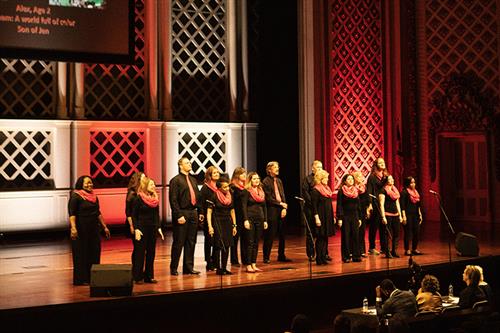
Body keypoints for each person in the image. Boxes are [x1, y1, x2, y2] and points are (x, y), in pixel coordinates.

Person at [68, 175, 110, 285]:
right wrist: (73, 228)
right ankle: (82, 279)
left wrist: (104, 227)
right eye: (87, 183)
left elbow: (98, 213)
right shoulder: (76, 196)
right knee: (82, 254)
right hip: (81, 229)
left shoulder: (94, 197)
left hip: (94, 229)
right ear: (81, 184)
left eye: (90, 182)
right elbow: (72, 214)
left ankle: (93, 277)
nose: (89, 185)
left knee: (94, 252)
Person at [169, 157, 203, 276]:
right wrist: (178, 215)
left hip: (193, 212)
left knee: (191, 241)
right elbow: (173, 200)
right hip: (182, 213)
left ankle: (188, 267)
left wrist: (200, 212)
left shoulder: (193, 180)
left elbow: (197, 197)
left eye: (190, 162)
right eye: (187, 163)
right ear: (180, 165)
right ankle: (173, 268)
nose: (190, 164)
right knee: (179, 242)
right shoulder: (175, 180)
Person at [132, 177, 164, 284]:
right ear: (145, 186)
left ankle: (149, 276)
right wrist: (136, 229)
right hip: (142, 228)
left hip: (152, 228)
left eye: (154, 184)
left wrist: (159, 228)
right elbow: (134, 215)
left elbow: (156, 214)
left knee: (151, 253)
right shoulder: (138, 198)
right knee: (140, 253)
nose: (153, 186)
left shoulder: (155, 198)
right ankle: (137, 277)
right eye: (151, 185)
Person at [206, 177, 237, 275]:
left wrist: (234, 225)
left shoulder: (230, 195)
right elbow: (209, 212)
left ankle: (224, 267)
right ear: (219, 188)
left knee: (227, 245)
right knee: (218, 245)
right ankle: (218, 268)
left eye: (228, 186)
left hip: (227, 222)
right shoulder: (214, 196)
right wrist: (210, 226)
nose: (227, 188)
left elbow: (232, 210)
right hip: (217, 222)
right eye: (225, 187)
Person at [301, 160, 331, 262]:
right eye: (318, 167)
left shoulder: (323, 179)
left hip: (321, 209)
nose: (319, 169)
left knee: (323, 232)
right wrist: (315, 207)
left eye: (321, 167)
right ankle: (311, 254)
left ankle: (324, 253)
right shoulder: (308, 179)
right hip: (311, 209)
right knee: (311, 232)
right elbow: (306, 195)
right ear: (313, 168)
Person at [262, 161, 291, 263]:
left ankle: (281, 255)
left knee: (282, 234)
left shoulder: (279, 181)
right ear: (269, 169)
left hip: (280, 209)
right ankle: (266, 257)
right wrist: (280, 204)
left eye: (278, 167)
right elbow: (268, 198)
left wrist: (284, 207)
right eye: (275, 167)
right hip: (272, 210)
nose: (277, 169)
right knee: (270, 234)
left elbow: (282, 195)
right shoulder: (265, 181)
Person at [241, 171, 268, 273]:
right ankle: (248, 265)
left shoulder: (261, 191)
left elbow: (264, 206)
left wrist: (265, 220)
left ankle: (253, 264)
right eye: (254, 179)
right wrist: (245, 220)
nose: (257, 180)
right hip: (250, 219)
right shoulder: (246, 191)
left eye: (258, 179)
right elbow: (243, 207)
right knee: (250, 243)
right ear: (250, 180)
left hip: (260, 219)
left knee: (256, 243)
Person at [311, 169, 336, 265]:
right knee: (320, 238)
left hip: (328, 216)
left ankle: (323, 257)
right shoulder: (315, 190)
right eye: (326, 178)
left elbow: (329, 205)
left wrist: (333, 216)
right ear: (321, 179)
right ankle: (319, 258)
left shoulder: (327, 189)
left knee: (325, 237)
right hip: (320, 216)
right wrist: (316, 217)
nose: (327, 179)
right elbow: (314, 206)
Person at [336, 174, 362, 263]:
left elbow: (358, 205)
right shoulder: (341, 191)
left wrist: (359, 218)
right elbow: (339, 205)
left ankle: (356, 256)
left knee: (355, 235)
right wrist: (340, 218)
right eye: (349, 179)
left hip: (354, 215)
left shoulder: (355, 191)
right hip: (345, 216)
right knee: (346, 236)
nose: (351, 180)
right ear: (345, 181)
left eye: (352, 179)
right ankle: (346, 256)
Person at [367, 158, 389, 255]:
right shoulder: (372, 177)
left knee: (383, 226)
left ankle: (384, 247)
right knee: (374, 226)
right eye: (380, 163)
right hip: (376, 204)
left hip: (384, 203)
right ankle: (372, 247)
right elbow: (370, 191)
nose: (382, 164)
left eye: (383, 162)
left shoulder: (386, 176)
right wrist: (370, 204)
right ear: (376, 165)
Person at [200, 166, 220, 272]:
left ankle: (216, 261)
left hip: (219, 217)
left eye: (217, 172)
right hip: (209, 218)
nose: (217, 174)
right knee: (209, 241)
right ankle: (209, 262)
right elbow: (202, 203)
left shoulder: (219, 187)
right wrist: (202, 215)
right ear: (209, 175)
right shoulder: (205, 188)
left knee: (217, 240)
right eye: (214, 173)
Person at [378, 175, 403, 258]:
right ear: (386, 181)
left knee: (396, 233)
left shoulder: (395, 190)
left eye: (392, 178)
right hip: (387, 214)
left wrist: (400, 214)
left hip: (395, 214)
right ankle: (387, 251)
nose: (392, 180)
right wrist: (383, 216)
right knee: (387, 234)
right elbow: (381, 204)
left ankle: (394, 251)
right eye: (390, 179)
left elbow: (397, 203)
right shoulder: (383, 190)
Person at [125, 172, 145, 273]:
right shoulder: (132, 194)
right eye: (143, 178)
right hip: (134, 223)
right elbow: (128, 212)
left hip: (142, 223)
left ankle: (139, 270)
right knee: (138, 249)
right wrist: (132, 226)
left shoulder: (143, 192)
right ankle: (136, 271)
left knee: (141, 249)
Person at [400, 176, 423, 256]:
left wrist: (420, 214)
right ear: (407, 183)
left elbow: (418, 205)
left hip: (415, 214)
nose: (413, 184)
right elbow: (402, 205)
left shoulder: (416, 192)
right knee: (408, 232)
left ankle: (414, 248)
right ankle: (407, 249)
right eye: (411, 182)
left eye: (414, 182)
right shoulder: (404, 192)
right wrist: (404, 216)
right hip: (407, 214)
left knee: (416, 232)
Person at [230, 166, 247, 267]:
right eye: (242, 173)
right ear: (237, 175)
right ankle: (234, 259)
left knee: (245, 239)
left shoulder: (244, 187)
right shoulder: (232, 188)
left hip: (244, 216)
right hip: (235, 216)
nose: (244, 175)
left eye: (245, 173)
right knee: (234, 239)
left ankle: (245, 259)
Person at [353, 171, 370, 258]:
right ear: (355, 178)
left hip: (363, 211)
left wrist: (368, 209)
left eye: (361, 176)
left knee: (362, 232)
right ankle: (355, 251)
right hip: (355, 211)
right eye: (359, 177)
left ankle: (362, 251)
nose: (361, 178)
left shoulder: (364, 187)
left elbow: (368, 199)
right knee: (356, 232)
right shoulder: (353, 188)